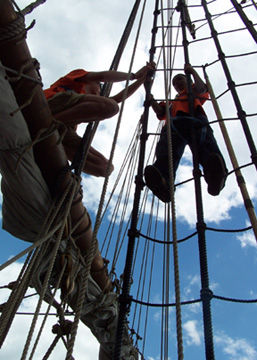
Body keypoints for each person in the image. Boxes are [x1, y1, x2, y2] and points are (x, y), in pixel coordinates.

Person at [44, 65, 155, 177]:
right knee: (110, 106)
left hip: (62, 128)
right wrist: (133, 76)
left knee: (105, 168)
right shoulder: (75, 80)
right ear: (92, 82)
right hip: (50, 104)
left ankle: (53, 139)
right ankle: (48, 122)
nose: (100, 92)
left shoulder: (83, 106)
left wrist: (142, 80)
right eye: (100, 87)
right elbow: (101, 76)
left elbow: (116, 100)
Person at [144, 64, 228, 202]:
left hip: (195, 117)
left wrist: (192, 72)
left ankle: (216, 176)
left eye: (179, 79)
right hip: (173, 125)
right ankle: (163, 182)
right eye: (174, 83)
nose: (176, 83)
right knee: (166, 151)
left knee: (207, 146)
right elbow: (159, 110)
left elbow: (202, 88)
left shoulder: (192, 91)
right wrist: (148, 92)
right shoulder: (171, 103)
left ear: (188, 81)